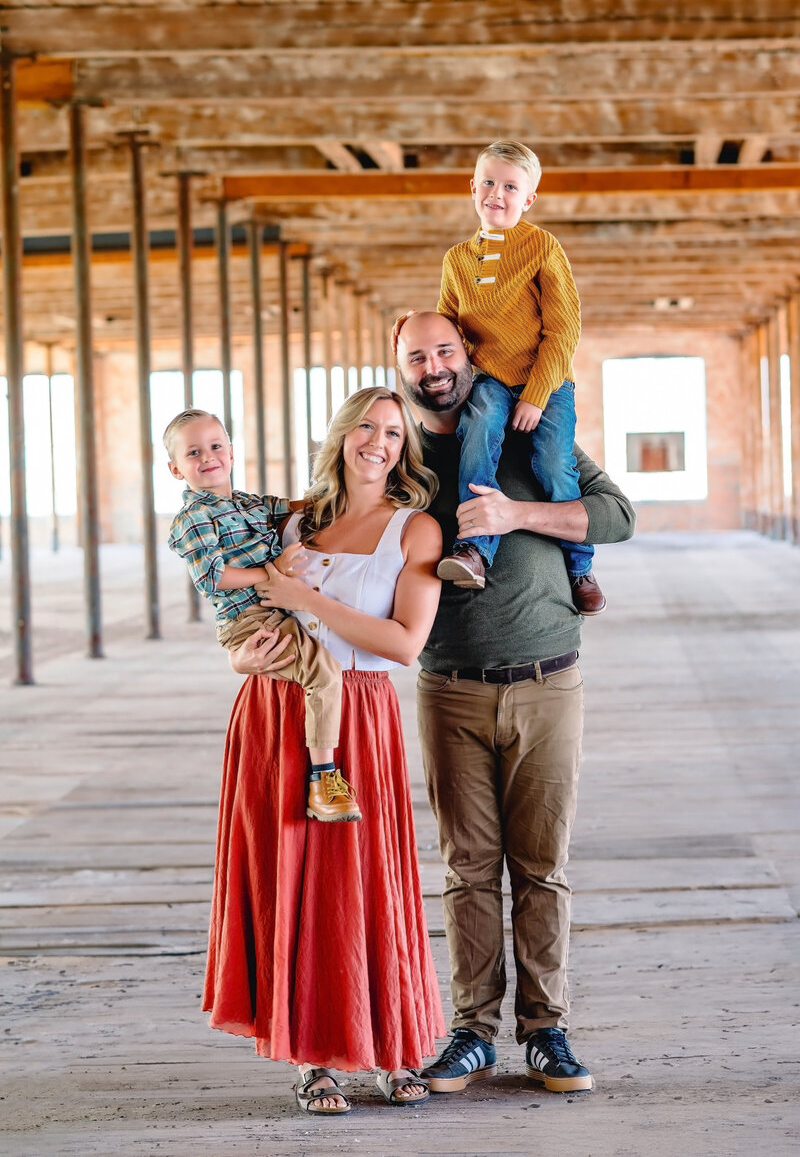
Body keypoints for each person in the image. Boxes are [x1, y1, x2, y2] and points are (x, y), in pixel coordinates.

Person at [395, 311, 636, 1094]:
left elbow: (618, 515)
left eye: (443, 349)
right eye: (415, 355)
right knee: (466, 869)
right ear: (399, 365)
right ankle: (472, 1032)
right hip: (450, 689)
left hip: (548, 683)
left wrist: (515, 513)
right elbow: (331, 525)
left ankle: (547, 1029)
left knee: (542, 867)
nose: (432, 366)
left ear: (469, 351)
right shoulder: (401, 457)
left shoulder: (533, 436)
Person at [202, 386, 447, 1113]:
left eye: (395, 434)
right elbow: (239, 615)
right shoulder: (292, 520)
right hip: (276, 711)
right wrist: (241, 661)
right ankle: (311, 1059)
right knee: (293, 879)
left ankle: (395, 1048)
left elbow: (404, 644)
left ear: (406, 450)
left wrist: (310, 601)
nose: (379, 443)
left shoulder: (417, 530)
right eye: (367, 428)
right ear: (342, 435)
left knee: (366, 877)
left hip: (359, 715)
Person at [434, 138, 606, 617]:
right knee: (479, 429)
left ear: (527, 199)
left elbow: (563, 329)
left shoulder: (542, 247)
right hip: (488, 377)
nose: (497, 193)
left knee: (553, 461)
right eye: (488, 182)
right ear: (472, 188)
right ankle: (474, 551)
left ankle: (579, 566)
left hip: (544, 378)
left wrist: (534, 396)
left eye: (510, 186)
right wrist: (418, 329)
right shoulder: (456, 260)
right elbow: (452, 327)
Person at [164, 407, 359, 823]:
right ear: (176, 469)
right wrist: (273, 573)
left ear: (231, 453)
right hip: (250, 618)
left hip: (275, 606)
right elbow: (213, 577)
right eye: (193, 453)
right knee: (324, 670)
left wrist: (346, 492)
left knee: (320, 664)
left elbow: (296, 506)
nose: (208, 457)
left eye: (215, 446)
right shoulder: (193, 518)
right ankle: (323, 779)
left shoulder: (248, 504)